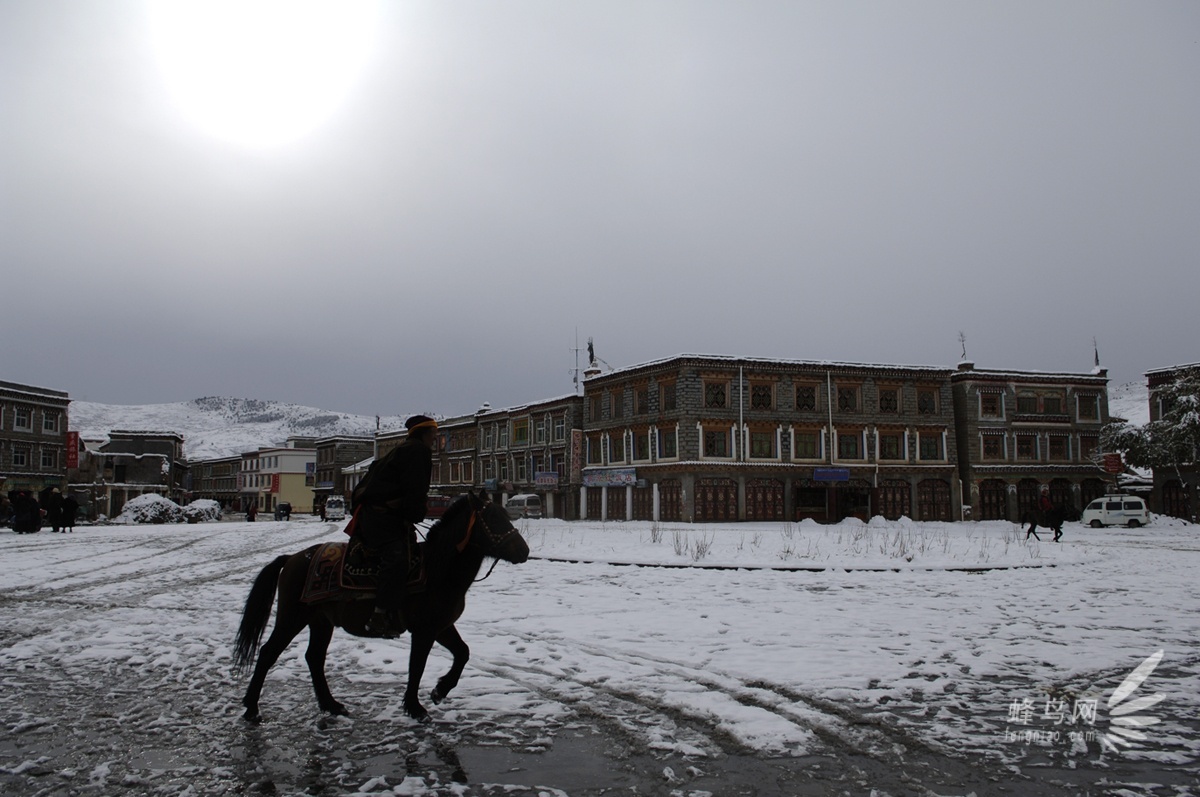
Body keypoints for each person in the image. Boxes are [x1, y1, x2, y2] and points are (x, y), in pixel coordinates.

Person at [350, 414, 437, 636]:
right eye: (433, 434)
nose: (435, 439)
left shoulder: (403, 450)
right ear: (424, 434)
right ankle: (380, 614)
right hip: (381, 520)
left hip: (387, 517)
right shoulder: (417, 452)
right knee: (396, 558)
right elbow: (415, 489)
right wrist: (415, 513)